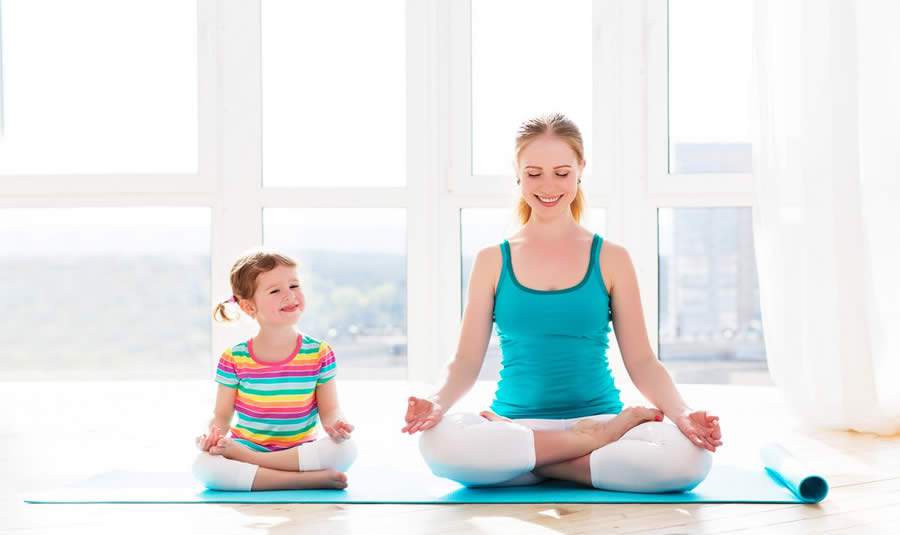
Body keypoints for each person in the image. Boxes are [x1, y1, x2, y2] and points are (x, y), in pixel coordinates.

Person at [402, 113, 722, 491]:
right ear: (517, 173)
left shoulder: (611, 258)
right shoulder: (492, 260)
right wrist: (436, 402)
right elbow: (466, 362)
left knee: (689, 461)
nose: (548, 186)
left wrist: (682, 414)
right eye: (534, 173)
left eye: (562, 172)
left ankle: (537, 466)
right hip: (517, 428)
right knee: (437, 445)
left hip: (602, 417)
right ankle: (582, 451)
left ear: (581, 169)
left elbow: (641, 360)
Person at [192, 249, 358, 491]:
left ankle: (260, 466)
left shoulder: (319, 352)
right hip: (249, 445)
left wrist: (338, 425)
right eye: (275, 290)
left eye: (294, 285)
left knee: (346, 449)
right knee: (204, 467)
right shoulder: (234, 357)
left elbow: (330, 409)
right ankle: (304, 480)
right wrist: (214, 436)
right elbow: (222, 414)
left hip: (299, 451)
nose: (290, 296)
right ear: (249, 307)